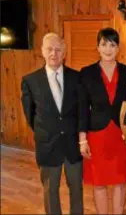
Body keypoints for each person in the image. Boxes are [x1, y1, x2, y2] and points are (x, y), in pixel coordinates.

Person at [21, 33, 83, 214]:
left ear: (64, 53)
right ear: (42, 51)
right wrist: (47, 131)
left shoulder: (76, 78)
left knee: (77, 190)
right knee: (50, 191)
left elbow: (80, 111)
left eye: (58, 50)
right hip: (47, 145)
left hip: (72, 146)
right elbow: (30, 115)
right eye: (49, 49)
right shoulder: (30, 81)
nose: (53, 53)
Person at [78, 28, 126, 214]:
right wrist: (82, 139)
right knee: (98, 182)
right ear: (97, 47)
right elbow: (82, 108)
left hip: (121, 134)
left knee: (120, 181)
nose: (108, 49)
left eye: (112, 44)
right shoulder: (86, 73)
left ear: (118, 48)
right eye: (104, 44)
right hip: (97, 135)